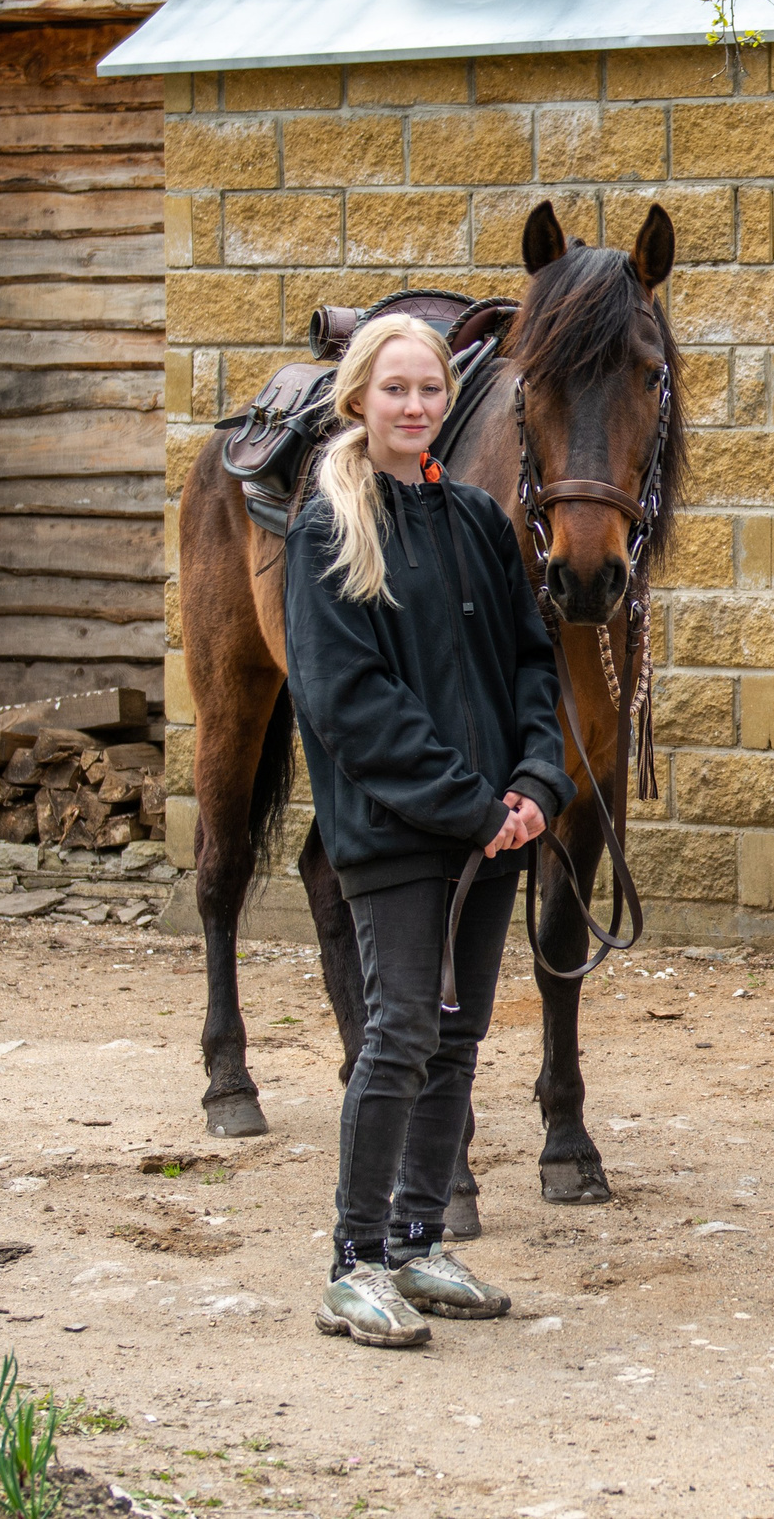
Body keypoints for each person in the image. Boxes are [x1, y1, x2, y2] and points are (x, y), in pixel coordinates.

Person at [285, 313, 572, 1349]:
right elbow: (347, 702)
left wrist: (537, 779)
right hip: (399, 834)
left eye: (430, 390)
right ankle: (354, 1260)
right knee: (400, 1031)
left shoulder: (477, 523)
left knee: (457, 1036)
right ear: (359, 396)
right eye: (395, 388)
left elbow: (532, 665)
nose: (414, 406)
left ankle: (415, 1240)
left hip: (493, 831)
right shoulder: (327, 527)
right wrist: (468, 803)